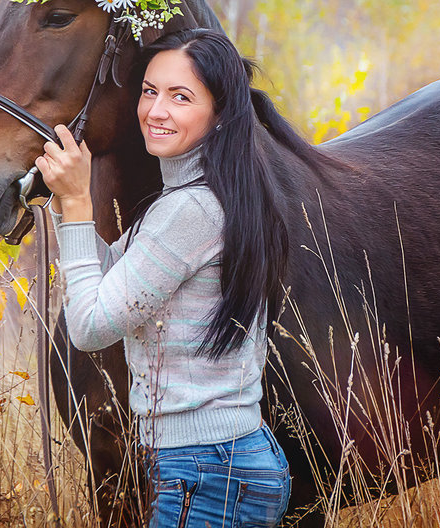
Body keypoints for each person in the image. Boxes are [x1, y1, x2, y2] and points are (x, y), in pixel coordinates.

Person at [35, 28, 293, 528]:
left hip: (207, 470)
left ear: (220, 114)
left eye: (180, 97)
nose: (155, 110)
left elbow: (89, 327)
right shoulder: (203, 196)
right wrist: (63, 198)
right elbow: (117, 281)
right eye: (150, 91)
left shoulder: (191, 210)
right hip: (221, 462)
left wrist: (78, 201)